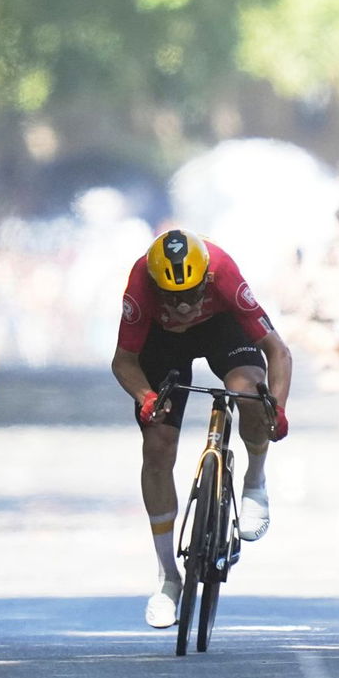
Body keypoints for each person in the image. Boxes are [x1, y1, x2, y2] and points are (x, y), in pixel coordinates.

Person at [110, 229, 293, 630]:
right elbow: (123, 361)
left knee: (250, 395)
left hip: (221, 329)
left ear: (206, 280)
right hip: (162, 342)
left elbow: (277, 351)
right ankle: (167, 578)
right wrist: (146, 397)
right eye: (171, 298)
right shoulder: (141, 283)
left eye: (191, 295)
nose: (182, 306)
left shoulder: (222, 270)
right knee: (158, 445)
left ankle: (255, 481)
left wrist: (276, 408)